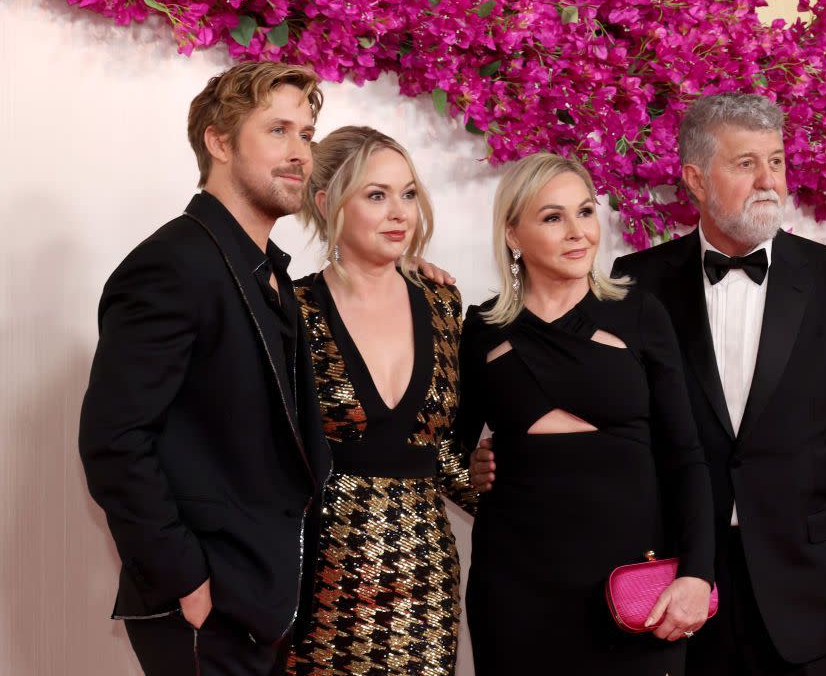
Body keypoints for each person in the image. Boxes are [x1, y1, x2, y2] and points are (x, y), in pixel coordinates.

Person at [472, 94, 826, 675]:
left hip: (813, 590)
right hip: (672, 584)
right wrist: (497, 459)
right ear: (695, 178)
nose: (768, 181)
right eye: (745, 164)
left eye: (778, 162)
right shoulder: (634, 284)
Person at [79, 62, 333, 675]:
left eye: (306, 133)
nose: (300, 152)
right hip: (207, 602)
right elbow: (114, 442)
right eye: (278, 131)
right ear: (219, 142)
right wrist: (184, 582)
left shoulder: (267, 267)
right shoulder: (173, 264)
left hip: (264, 600)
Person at [458, 152, 715, 675]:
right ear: (513, 234)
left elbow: (686, 455)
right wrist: (470, 465)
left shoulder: (640, 313)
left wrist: (698, 573)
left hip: (632, 585)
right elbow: (446, 444)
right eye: (553, 217)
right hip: (514, 589)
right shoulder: (482, 328)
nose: (578, 232)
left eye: (585, 211)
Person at [285, 126, 478, 676]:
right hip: (324, 572)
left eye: (409, 193)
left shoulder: (442, 300)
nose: (400, 212)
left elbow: (439, 449)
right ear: (327, 204)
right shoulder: (292, 309)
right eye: (376, 195)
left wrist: (518, 502)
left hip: (427, 574)